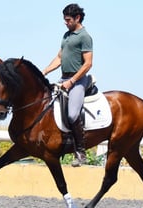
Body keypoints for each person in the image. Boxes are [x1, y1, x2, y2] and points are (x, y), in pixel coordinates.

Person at [42, 3, 93, 167]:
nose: (65, 22)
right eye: (64, 19)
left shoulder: (85, 37)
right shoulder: (66, 35)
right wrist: (44, 71)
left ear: (77, 18)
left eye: (68, 19)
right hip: (63, 79)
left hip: (78, 80)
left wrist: (72, 81)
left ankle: (80, 151)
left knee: (72, 115)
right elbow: (59, 57)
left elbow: (88, 64)